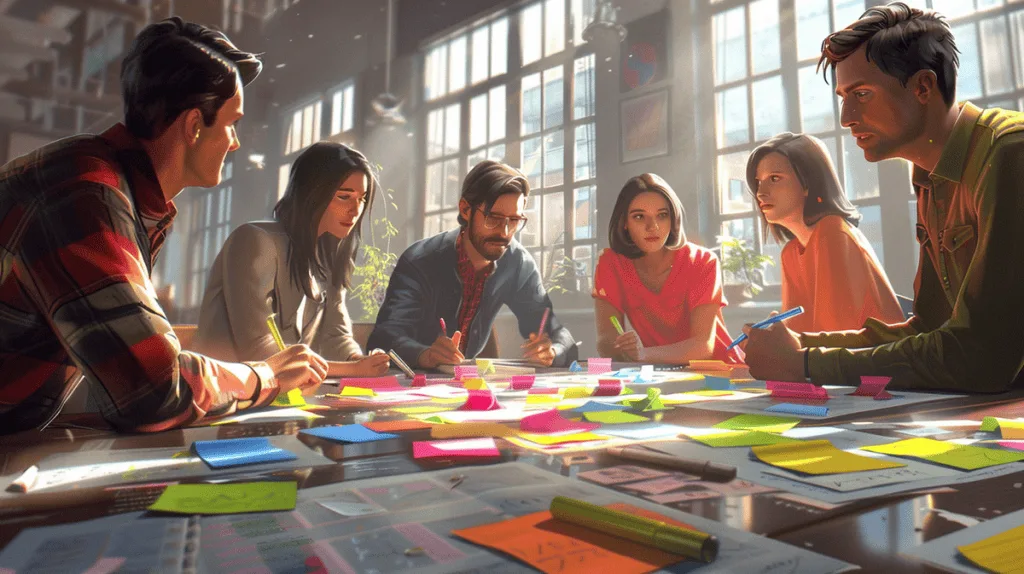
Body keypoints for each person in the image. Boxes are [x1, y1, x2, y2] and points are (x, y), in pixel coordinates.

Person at [0, 18, 327, 435]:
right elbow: (153, 391)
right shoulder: (85, 194)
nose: (235, 142)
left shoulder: (109, 187)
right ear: (193, 126)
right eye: (232, 123)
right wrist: (264, 376)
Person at [740, 2, 1024, 393]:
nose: (846, 117)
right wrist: (802, 347)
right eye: (842, 97)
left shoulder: (1010, 153)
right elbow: (928, 327)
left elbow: (982, 354)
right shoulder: (929, 177)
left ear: (923, 87)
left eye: (862, 94)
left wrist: (805, 363)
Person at [193, 142, 390, 377]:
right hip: (223, 393)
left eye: (362, 198)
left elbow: (335, 335)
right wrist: (352, 369)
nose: (355, 209)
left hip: (284, 395)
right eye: (344, 197)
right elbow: (258, 349)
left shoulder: (329, 254)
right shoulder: (254, 241)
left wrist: (360, 360)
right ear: (313, 193)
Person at [368, 160, 578, 369]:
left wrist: (552, 351)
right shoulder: (420, 260)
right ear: (466, 209)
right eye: (493, 218)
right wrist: (426, 355)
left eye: (514, 220)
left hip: (464, 384)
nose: (504, 233)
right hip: (411, 382)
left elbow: (559, 335)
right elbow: (384, 339)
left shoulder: (518, 263)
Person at [746, 132, 903, 333]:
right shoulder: (791, 253)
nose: (760, 192)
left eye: (775, 178)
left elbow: (833, 338)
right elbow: (800, 338)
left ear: (808, 183)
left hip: (874, 361)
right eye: (759, 182)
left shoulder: (833, 233)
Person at [593, 173, 742, 364]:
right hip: (659, 372)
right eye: (639, 217)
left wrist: (642, 354)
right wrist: (620, 347)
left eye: (662, 216)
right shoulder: (610, 263)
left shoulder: (703, 261)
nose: (652, 226)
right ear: (624, 224)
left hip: (721, 372)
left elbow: (702, 346)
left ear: (673, 221)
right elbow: (605, 339)